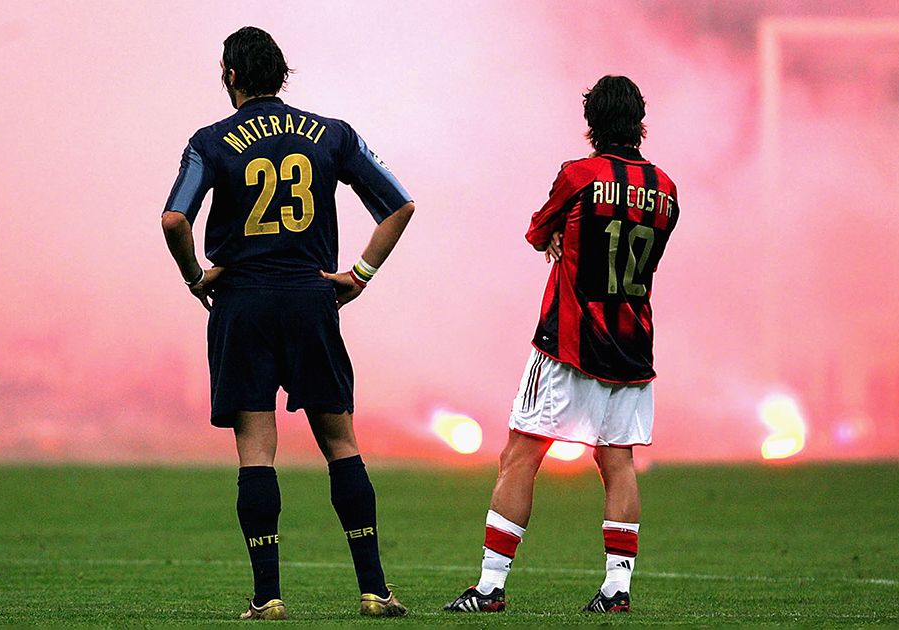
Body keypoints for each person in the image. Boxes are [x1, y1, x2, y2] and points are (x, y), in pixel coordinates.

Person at [160, 26, 415, 621]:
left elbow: (175, 220)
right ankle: (375, 591)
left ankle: (268, 596)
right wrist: (360, 273)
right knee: (340, 443)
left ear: (230, 76)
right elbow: (399, 203)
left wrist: (196, 277)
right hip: (310, 300)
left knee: (256, 451)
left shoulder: (209, 142)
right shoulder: (333, 133)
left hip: (242, 305)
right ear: (282, 74)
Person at [443, 75, 680, 615]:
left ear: (591, 123)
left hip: (568, 341)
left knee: (520, 455)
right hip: (632, 345)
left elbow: (538, 230)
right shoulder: (666, 188)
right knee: (617, 462)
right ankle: (616, 591)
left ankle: (489, 587)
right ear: (640, 121)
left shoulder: (579, 175)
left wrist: (558, 235)